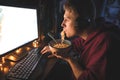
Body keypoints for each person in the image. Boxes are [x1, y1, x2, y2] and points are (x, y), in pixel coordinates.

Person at [41, 0, 120, 80]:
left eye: (67, 20)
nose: (62, 24)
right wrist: (55, 48)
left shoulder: (104, 42)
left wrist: (69, 58)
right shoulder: (92, 33)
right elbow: (77, 44)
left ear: (81, 22)